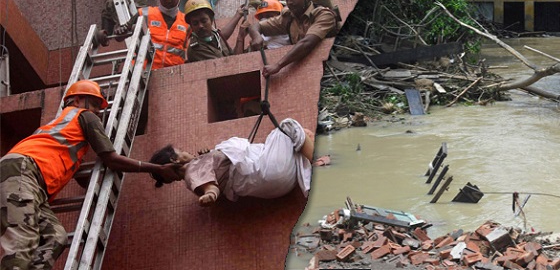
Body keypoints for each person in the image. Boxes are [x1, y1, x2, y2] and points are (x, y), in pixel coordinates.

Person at [0, 80, 182, 269]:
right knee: (23, 243)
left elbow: (83, 179)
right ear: (78, 100)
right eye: (95, 105)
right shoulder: (84, 116)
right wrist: (157, 168)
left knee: (56, 237)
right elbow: (111, 158)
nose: (98, 112)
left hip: (29, 181)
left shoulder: (68, 135)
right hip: (21, 172)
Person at [148, 119, 329, 206]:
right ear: (175, 159)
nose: (186, 151)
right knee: (287, 126)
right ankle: (318, 165)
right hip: (266, 171)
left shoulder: (199, 167)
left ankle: (314, 175)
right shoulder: (193, 172)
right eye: (181, 151)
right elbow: (210, 187)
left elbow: (213, 176)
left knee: (300, 139)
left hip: (276, 185)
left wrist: (210, 155)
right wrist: (209, 195)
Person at [250, 0, 339, 79]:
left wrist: (278, 65)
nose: (290, 2)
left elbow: (307, 43)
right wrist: (256, 36)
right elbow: (256, 26)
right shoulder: (288, 18)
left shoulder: (324, 15)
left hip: (332, 72)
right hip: (304, 73)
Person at [113, 0, 190, 69]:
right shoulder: (145, 14)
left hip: (174, 75)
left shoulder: (187, 22)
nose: (168, 0)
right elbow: (120, 35)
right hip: (144, 74)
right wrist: (119, 31)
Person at [184, 0, 249, 62]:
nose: (200, 26)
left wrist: (238, 15)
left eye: (204, 21)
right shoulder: (196, 49)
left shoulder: (213, 35)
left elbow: (223, 35)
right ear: (191, 26)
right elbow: (232, 67)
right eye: (195, 23)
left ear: (211, 20)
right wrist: (240, 37)